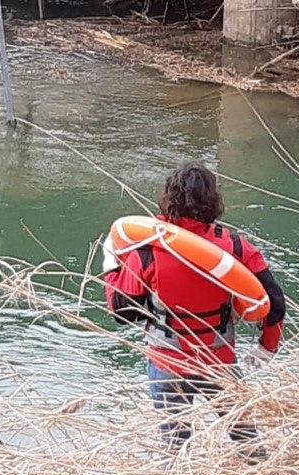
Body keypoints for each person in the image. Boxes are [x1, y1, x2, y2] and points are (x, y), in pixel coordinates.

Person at [103, 164, 286, 450]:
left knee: (175, 449)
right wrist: (265, 351)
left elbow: (121, 312)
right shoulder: (237, 248)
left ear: (167, 198)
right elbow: (274, 306)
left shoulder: (148, 250)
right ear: (214, 200)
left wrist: (111, 264)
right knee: (247, 443)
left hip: (168, 364)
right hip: (220, 361)